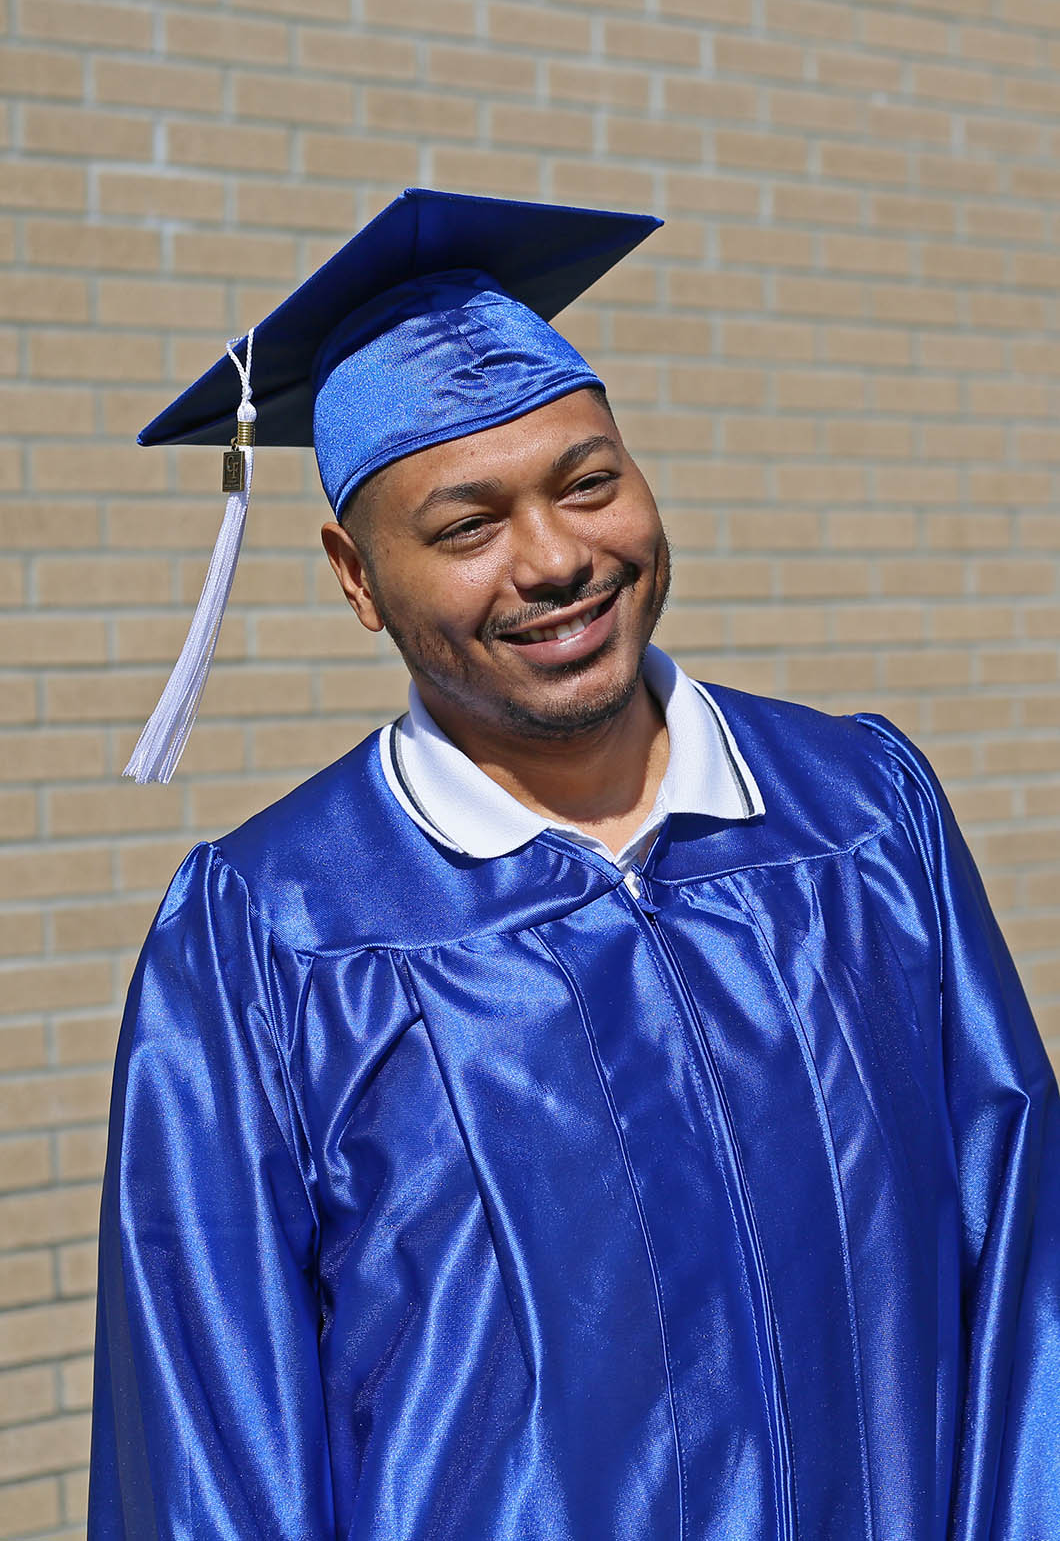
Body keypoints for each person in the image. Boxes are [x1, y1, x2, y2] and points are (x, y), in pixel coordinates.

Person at [88, 189, 1059, 1540]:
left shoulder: (860, 818)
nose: (557, 559)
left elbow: (1026, 1270)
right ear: (356, 578)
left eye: (590, 481)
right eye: (467, 525)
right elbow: (210, 1442)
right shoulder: (270, 939)